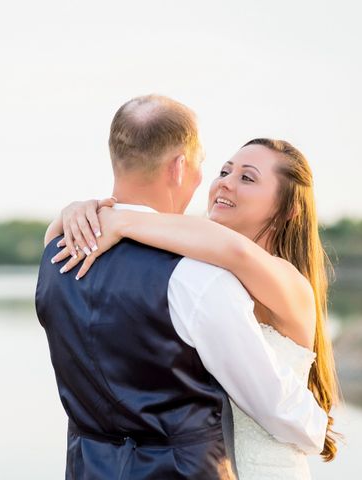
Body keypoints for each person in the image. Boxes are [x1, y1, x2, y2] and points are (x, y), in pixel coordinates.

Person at [36, 94, 327, 480]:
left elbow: (236, 253)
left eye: (247, 178)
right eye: (223, 171)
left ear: (288, 208)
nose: (225, 183)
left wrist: (116, 219)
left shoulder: (284, 279)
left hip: (265, 465)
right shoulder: (198, 264)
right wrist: (79, 211)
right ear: (179, 168)